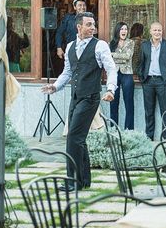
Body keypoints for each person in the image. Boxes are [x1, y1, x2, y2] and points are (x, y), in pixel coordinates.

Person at [42, 12, 117, 191]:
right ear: (79, 27)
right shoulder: (70, 47)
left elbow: (111, 68)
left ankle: (72, 180)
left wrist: (111, 89)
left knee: (74, 137)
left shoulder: (100, 46)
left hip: (90, 97)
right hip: (75, 97)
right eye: (89, 25)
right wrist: (56, 86)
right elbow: (67, 72)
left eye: (94, 25)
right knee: (79, 139)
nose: (93, 28)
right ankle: (84, 180)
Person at [138, 22, 166, 140]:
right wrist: (142, 78)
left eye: (159, 30)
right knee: (148, 112)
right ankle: (149, 138)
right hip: (148, 82)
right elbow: (141, 63)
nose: (157, 32)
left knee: (165, 111)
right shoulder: (144, 45)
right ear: (150, 31)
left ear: (162, 32)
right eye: (155, 30)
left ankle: (165, 138)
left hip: (162, 82)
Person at [109, 21, 135, 130]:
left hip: (127, 75)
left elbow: (128, 56)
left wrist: (113, 55)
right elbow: (108, 59)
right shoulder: (112, 43)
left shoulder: (131, 42)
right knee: (113, 103)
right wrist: (118, 57)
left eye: (125, 29)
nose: (124, 31)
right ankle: (113, 129)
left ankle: (128, 130)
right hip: (114, 75)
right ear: (118, 31)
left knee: (129, 103)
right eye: (122, 29)